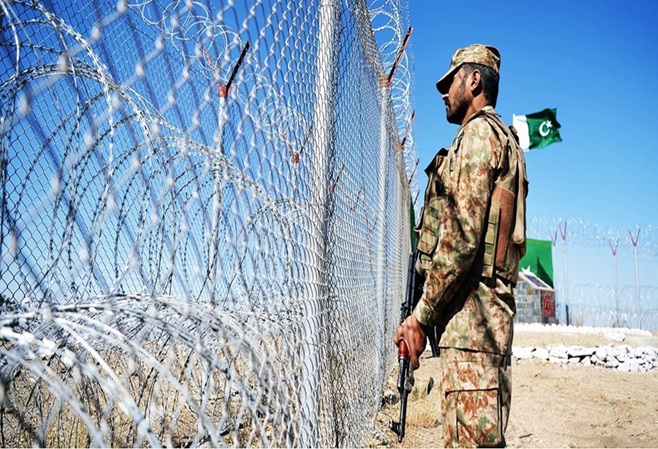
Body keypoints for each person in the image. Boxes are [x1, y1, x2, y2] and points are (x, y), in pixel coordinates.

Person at [394, 44, 528, 447]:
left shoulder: (479, 135)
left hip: (474, 324)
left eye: (450, 81)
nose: (443, 92)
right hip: (479, 325)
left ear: (473, 81)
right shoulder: (498, 138)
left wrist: (420, 317)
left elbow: (461, 239)